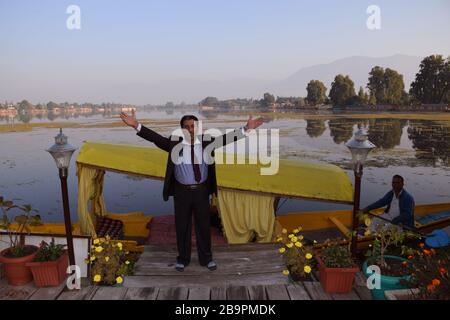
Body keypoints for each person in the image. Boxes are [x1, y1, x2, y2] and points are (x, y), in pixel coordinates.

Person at [120, 110, 264, 271]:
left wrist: (246, 128)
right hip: (182, 192)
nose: (190, 129)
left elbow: (226, 139)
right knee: (182, 226)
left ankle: (206, 259)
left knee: (204, 226)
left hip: (201, 191)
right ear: (182, 129)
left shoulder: (207, 142)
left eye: (193, 126)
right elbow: (156, 138)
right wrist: (136, 125)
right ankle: (183, 259)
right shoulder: (174, 144)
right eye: (187, 127)